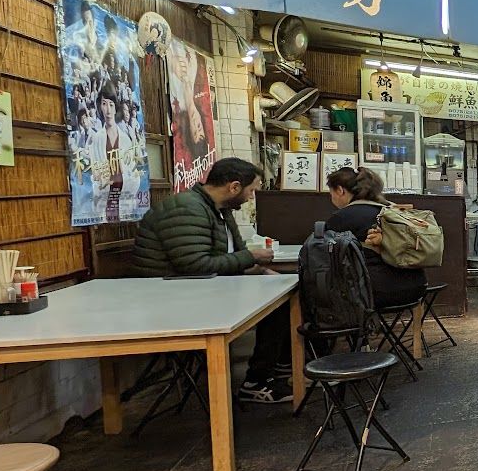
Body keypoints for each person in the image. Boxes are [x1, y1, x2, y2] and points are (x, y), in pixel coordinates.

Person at [130, 157, 292, 404]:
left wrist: (258, 269)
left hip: (204, 289)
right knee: (275, 307)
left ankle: (275, 370)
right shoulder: (186, 209)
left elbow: (235, 254)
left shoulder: (219, 210)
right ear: (234, 187)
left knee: (283, 294)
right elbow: (194, 264)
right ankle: (256, 381)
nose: (251, 197)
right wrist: (251, 257)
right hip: (173, 300)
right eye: (251, 191)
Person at [324, 166, 427, 308]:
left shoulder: (341, 218)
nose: (332, 198)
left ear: (340, 190)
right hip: (417, 287)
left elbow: (324, 254)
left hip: (375, 292)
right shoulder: (391, 209)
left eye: (331, 193)